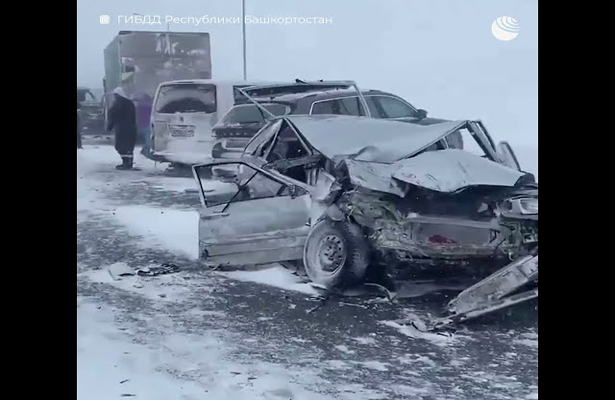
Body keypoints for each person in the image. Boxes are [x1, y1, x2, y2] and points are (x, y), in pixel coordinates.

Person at [107, 87, 137, 170]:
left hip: (122, 128)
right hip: (130, 128)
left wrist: (110, 126)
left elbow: (113, 115)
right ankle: (128, 162)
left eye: (115, 95)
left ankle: (126, 162)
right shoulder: (130, 103)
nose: (114, 97)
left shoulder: (118, 104)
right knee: (128, 146)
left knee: (121, 146)